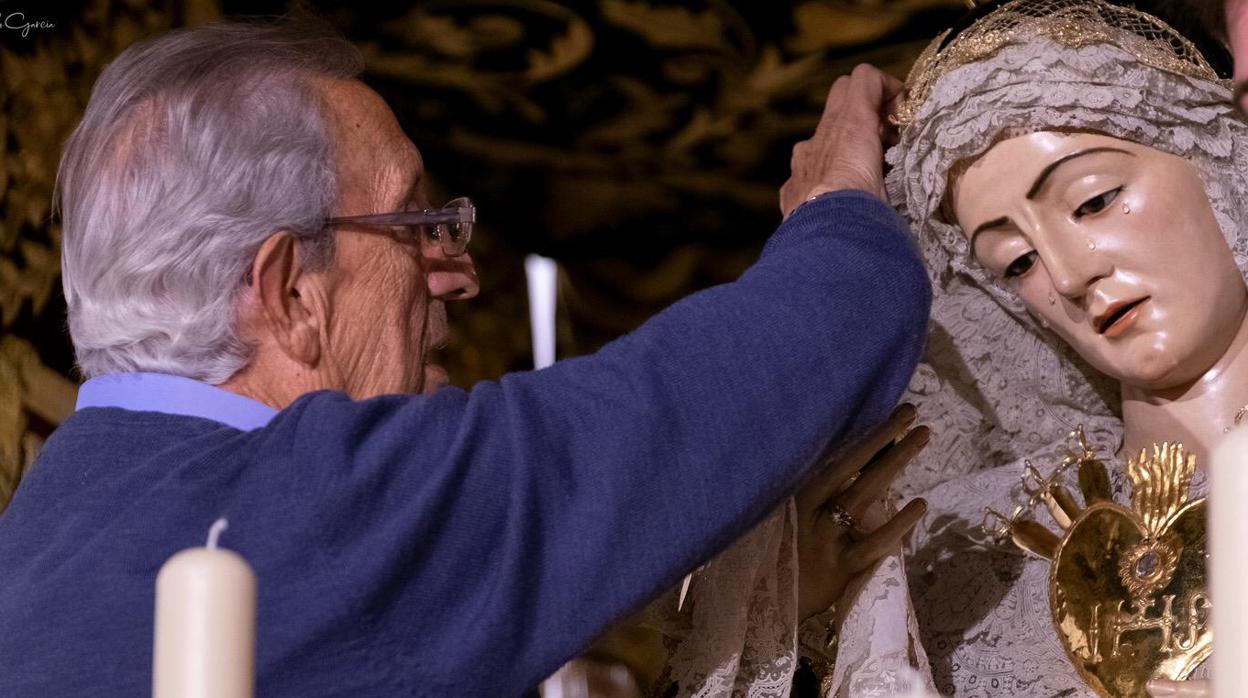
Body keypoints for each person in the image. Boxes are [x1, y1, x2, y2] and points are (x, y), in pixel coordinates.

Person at [0, 15, 933, 698]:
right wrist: (840, 209)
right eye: (415, 224)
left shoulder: (36, 537)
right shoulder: (331, 502)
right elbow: (771, 359)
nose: (459, 277)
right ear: (290, 293)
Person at [873, 0, 1248, 695]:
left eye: (1094, 200)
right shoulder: (975, 552)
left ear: (1218, 162)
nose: (1070, 276)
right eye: (1016, 263)